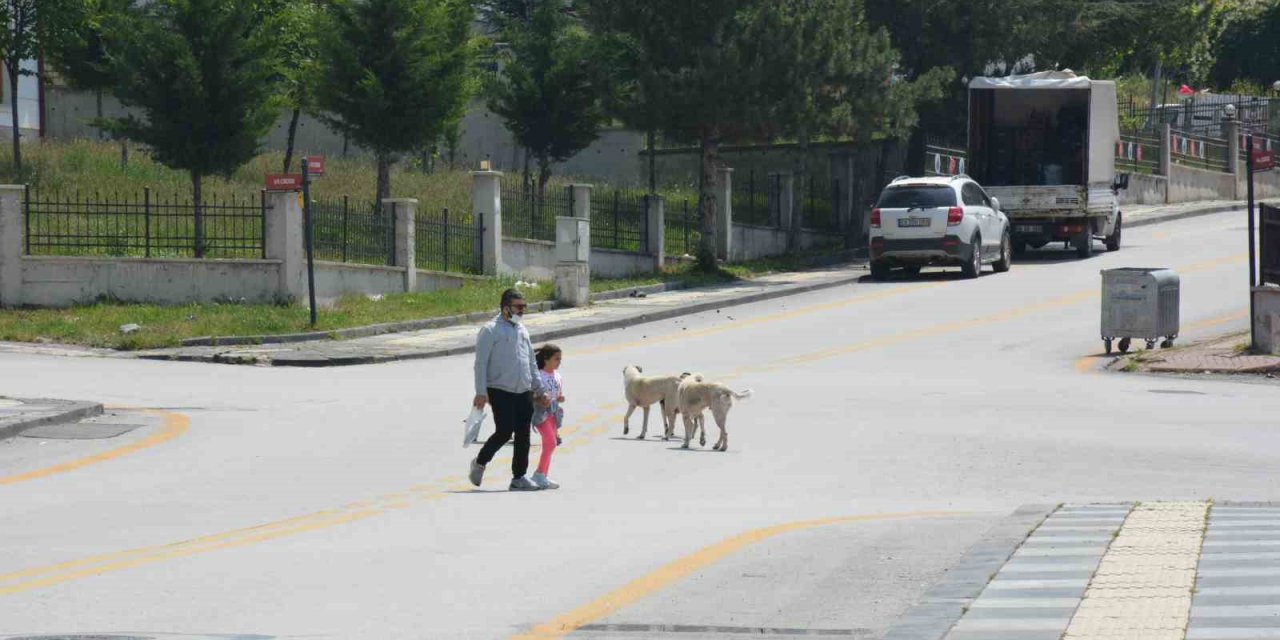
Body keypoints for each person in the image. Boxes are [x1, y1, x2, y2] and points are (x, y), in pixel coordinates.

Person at [469, 288, 548, 491]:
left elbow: (531, 361)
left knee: (523, 433)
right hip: (499, 389)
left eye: (524, 307)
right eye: (518, 307)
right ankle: (480, 461)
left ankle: (518, 477)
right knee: (504, 431)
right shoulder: (490, 330)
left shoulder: (522, 329)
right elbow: (480, 363)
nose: (522, 311)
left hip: (523, 390)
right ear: (506, 308)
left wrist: (539, 389)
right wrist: (480, 391)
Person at [530, 344, 565, 490]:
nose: (559, 362)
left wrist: (559, 397)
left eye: (560, 359)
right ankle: (539, 474)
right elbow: (531, 394)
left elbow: (557, 393)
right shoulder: (538, 376)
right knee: (550, 443)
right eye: (556, 359)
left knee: (550, 444)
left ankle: (543, 474)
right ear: (546, 359)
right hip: (540, 414)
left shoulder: (558, 376)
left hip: (553, 413)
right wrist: (538, 399)